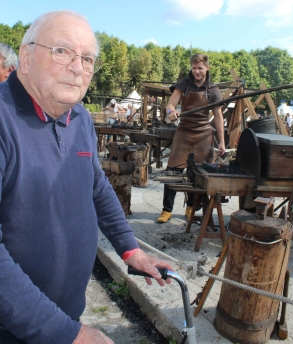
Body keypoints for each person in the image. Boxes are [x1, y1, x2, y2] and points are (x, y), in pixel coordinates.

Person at [0, 10, 173, 344]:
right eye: (62, 51)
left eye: (88, 58)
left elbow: (96, 185)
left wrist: (130, 249)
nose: (78, 68)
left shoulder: (78, 118)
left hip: (65, 314)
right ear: (25, 56)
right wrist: (66, 334)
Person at [157, 53, 225, 223]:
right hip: (184, 132)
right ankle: (167, 210)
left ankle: (191, 209)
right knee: (173, 170)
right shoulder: (183, 85)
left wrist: (222, 142)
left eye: (200, 68)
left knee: (199, 174)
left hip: (203, 134)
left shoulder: (213, 90)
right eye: (194, 68)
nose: (196, 71)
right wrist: (172, 113)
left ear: (207, 68)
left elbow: (218, 117)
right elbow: (171, 104)